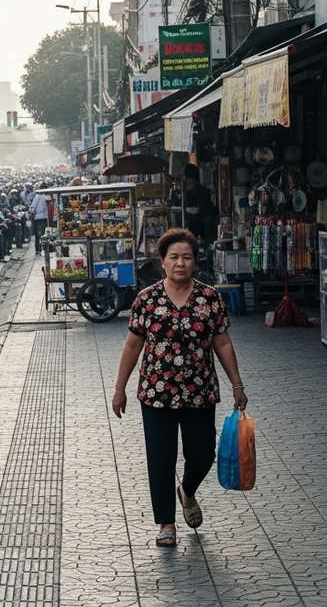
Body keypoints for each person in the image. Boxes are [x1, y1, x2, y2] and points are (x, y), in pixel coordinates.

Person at [112, 229, 247, 548]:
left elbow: (222, 342)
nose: (180, 263)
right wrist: (120, 388)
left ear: (195, 261)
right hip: (156, 393)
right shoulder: (147, 300)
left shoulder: (209, 298)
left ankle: (187, 491)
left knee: (202, 455)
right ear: (162, 262)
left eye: (186, 257)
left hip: (200, 391)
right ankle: (166, 523)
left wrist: (237, 384)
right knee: (160, 458)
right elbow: (133, 345)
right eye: (173, 257)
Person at [29, 184, 50, 255]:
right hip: (38, 218)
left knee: (42, 234)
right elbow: (33, 207)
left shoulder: (45, 196)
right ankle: (38, 249)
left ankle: (42, 248)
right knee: (39, 234)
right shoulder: (38, 196)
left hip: (43, 218)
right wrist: (31, 214)